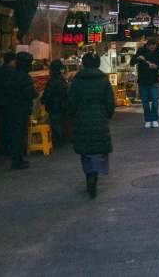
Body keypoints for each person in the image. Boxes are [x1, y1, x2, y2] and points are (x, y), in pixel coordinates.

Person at [68, 52, 115, 198]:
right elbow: (110, 102)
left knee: (85, 147)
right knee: (99, 147)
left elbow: (71, 103)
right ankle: (95, 173)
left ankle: (89, 174)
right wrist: (107, 114)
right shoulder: (103, 80)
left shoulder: (77, 80)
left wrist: (74, 115)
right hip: (100, 117)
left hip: (81, 117)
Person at [8, 52, 38, 170]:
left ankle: (17, 159)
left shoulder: (13, 75)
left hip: (12, 109)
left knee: (16, 135)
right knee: (19, 135)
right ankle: (17, 161)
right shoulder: (24, 77)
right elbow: (31, 93)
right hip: (21, 109)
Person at [130, 37, 159, 129]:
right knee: (145, 101)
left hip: (153, 79)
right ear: (147, 45)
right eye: (151, 48)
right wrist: (138, 57)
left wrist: (156, 66)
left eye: (154, 47)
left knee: (154, 99)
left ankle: (154, 119)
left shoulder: (158, 52)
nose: (152, 49)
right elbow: (132, 61)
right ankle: (148, 119)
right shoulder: (141, 50)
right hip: (143, 79)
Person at [40, 59, 68, 148]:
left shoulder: (52, 81)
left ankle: (58, 141)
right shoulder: (62, 79)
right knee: (59, 122)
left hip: (54, 105)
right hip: (61, 104)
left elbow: (47, 94)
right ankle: (61, 139)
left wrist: (42, 100)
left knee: (55, 123)